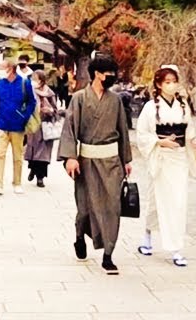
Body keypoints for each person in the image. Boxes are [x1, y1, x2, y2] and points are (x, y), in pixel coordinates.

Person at [59, 55, 133, 275]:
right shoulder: (79, 98)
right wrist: (71, 157)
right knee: (85, 207)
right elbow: (70, 128)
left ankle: (108, 254)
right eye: (108, 73)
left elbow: (123, 131)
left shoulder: (115, 100)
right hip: (87, 161)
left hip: (111, 161)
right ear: (97, 74)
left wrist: (126, 159)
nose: (112, 77)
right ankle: (80, 236)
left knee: (112, 207)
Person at [136, 66, 196, 267]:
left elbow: (189, 130)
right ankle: (147, 235)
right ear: (159, 84)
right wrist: (159, 142)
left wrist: (191, 141)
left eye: (174, 81)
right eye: (167, 82)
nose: (171, 85)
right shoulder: (150, 107)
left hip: (179, 158)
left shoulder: (182, 105)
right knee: (156, 199)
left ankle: (176, 247)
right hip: (161, 157)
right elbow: (142, 134)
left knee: (177, 202)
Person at [0, 60, 38, 195]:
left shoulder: (24, 83)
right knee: (0, 154)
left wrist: (24, 116)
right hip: (2, 124)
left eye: (2, 67)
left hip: (18, 125)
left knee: (17, 156)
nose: (0, 70)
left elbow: (32, 102)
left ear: (11, 68)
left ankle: (17, 182)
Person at [24, 70, 63, 187]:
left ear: (41, 80)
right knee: (32, 151)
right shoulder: (29, 91)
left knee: (43, 154)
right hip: (33, 125)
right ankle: (33, 170)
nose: (33, 81)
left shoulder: (50, 93)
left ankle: (40, 177)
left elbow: (56, 110)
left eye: (35, 78)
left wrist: (50, 110)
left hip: (46, 126)